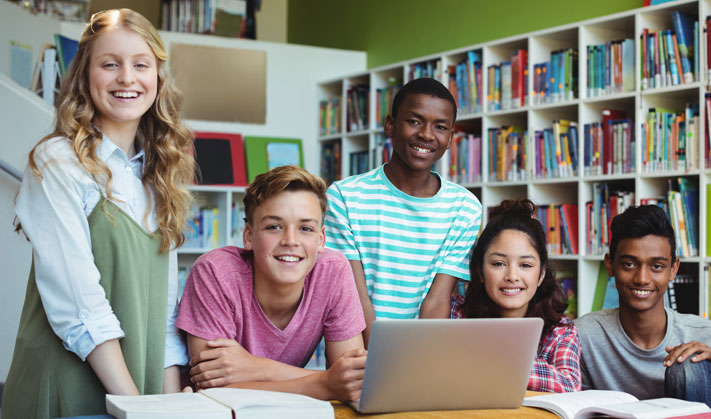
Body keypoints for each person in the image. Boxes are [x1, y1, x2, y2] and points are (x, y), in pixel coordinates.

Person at [3, 9, 194, 417]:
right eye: (110, 64)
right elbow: (80, 308)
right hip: (68, 392)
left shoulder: (159, 175)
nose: (127, 77)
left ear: (157, 79)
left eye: (141, 65)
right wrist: (135, 406)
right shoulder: (56, 162)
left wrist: (172, 405)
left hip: (135, 395)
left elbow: (163, 315)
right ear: (85, 78)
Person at [177, 166, 367, 402]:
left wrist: (257, 368)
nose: (290, 241)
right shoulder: (215, 271)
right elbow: (212, 388)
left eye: (305, 228)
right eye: (274, 227)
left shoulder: (333, 270)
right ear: (248, 236)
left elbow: (352, 381)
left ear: (321, 240)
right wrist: (324, 383)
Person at [325, 78, 482, 344]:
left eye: (440, 127)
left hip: (423, 351)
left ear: (451, 139)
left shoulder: (465, 207)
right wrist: (383, 356)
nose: (427, 135)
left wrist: (411, 361)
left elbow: (438, 299)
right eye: (414, 121)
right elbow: (353, 294)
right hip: (356, 349)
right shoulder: (344, 196)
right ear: (390, 125)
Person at [576, 205, 711, 414]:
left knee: (689, 365)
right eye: (629, 264)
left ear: (673, 269)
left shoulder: (709, 335)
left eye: (656, 267)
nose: (642, 279)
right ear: (610, 265)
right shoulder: (584, 335)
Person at [450, 199, 581, 393]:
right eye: (498, 264)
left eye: (525, 265)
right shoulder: (455, 314)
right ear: (480, 271)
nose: (512, 276)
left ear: (541, 274)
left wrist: (487, 358)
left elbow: (569, 384)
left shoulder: (560, 331)